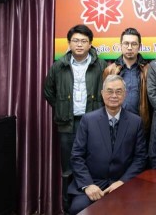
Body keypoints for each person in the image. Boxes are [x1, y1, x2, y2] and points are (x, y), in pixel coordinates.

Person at [43, 24, 107, 212]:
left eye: (84, 41)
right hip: (67, 125)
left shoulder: (101, 65)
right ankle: (68, 207)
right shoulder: (58, 66)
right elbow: (48, 91)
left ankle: (95, 207)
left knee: (93, 163)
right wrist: (62, 108)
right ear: (69, 43)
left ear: (90, 44)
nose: (79, 44)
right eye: (75, 41)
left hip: (93, 123)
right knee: (68, 169)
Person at [68, 75, 147, 215]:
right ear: (102, 93)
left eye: (118, 91)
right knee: (78, 209)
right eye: (109, 91)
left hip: (123, 184)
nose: (114, 95)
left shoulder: (136, 122)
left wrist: (123, 182)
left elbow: (140, 159)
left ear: (125, 94)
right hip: (93, 182)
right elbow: (77, 156)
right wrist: (88, 185)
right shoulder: (88, 120)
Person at [103, 28, 151, 134]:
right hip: (116, 124)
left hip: (141, 124)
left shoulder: (148, 69)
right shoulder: (110, 70)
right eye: (126, 44)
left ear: (140, 46)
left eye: (134, 44)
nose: (129, 48)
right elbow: (104, 98)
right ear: (120, 45)